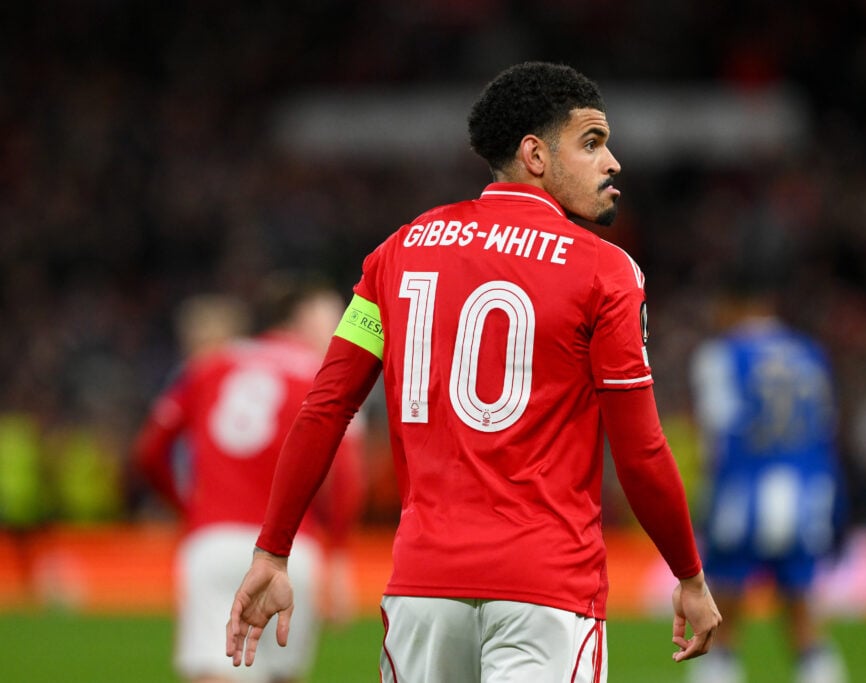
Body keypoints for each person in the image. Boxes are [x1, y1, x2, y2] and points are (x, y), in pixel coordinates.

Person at [226, 61, 720, 683]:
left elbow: (326, 407)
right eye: (592, 143)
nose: (613, 161)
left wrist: (273, 551)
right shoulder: (607, 272)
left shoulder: (395, 254)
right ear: (534, 155)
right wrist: (689, 575)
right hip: (547, 590)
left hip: (423, 591)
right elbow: (641, 451)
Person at [133, 274, 366, 683]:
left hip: (214, 539)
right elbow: (345, 476)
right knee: (280, 674)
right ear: (298, 322)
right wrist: (341, 553)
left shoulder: (212, 364)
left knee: (215, 671)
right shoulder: (326, 377)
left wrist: (188, 508)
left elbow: (149, 451)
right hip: (292, 550)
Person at [686, 271, 848, 683]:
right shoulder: (811, 354)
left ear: (735, 305)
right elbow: (825, 432)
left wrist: (709, 500)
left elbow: (716, 435)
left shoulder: (721, 355)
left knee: (719, 627)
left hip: (744, 497)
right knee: (804, 623)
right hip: (808, 496)